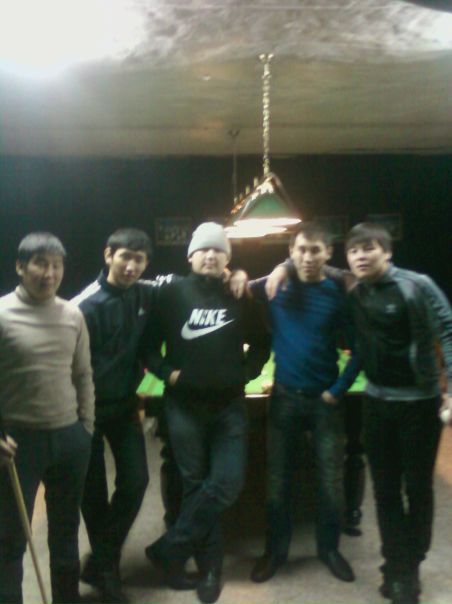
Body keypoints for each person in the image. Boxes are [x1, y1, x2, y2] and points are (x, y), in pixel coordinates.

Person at [144, 222, 270, 604]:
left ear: (227, 258)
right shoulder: (171, 294)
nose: (211, 256)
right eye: (204, 250)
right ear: (191, 256)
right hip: (184, 407)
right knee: (195, 485)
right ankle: (210, 568)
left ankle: (169, 548)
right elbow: (147, 347)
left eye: (219, 251)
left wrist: (245, 374)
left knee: (226, 484)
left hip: (230, 406)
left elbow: (262, 343)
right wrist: (168, 373)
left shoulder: (239, 293)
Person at [345, 222, 452, 604]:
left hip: (418, 404)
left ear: (387, 252)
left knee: (418, 489)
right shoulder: (356, 291)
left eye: (368, 248)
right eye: (353, 250)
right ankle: (396, 563)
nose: (360, 256)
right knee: (385, 490)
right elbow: (316, 267)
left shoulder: (416, 285)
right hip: (376, 403)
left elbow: (449, 330)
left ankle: (410, 566)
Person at [249, 222, 359, 585]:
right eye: (301, 250)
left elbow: (360, 347)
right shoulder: (274, 284)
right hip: (284, 398)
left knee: (330, 481)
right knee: (277, 481)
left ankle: (329, 550)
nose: (308, 257)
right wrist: (240, 275)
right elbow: (237, 286)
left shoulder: (338, 292)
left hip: (326, 400)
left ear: (328, 253)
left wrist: (339, 389)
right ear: (291, 252)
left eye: (315, 250)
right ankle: (275, 551)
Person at [0, 232, 95, 604]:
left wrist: (86, 429)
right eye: (40, 263)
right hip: (17, 443)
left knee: (66, 535)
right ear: (20, 266)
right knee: (10, 541)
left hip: (70, 439)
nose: (49, 273)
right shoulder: (2, 313)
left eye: (56, 265)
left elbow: (83, 374)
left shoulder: (72, 314)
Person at [72, 228, 161, 604]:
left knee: (137, 481)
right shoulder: (83, 305)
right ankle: (107, 571)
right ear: (108, 255)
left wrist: (236, 274)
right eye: (125, 256)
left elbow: (182, 282)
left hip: (124, 407)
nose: (131, 266)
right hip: (84, 412)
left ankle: (100, 560)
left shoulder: (146, 292)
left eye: (139, 260)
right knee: (92, 495)